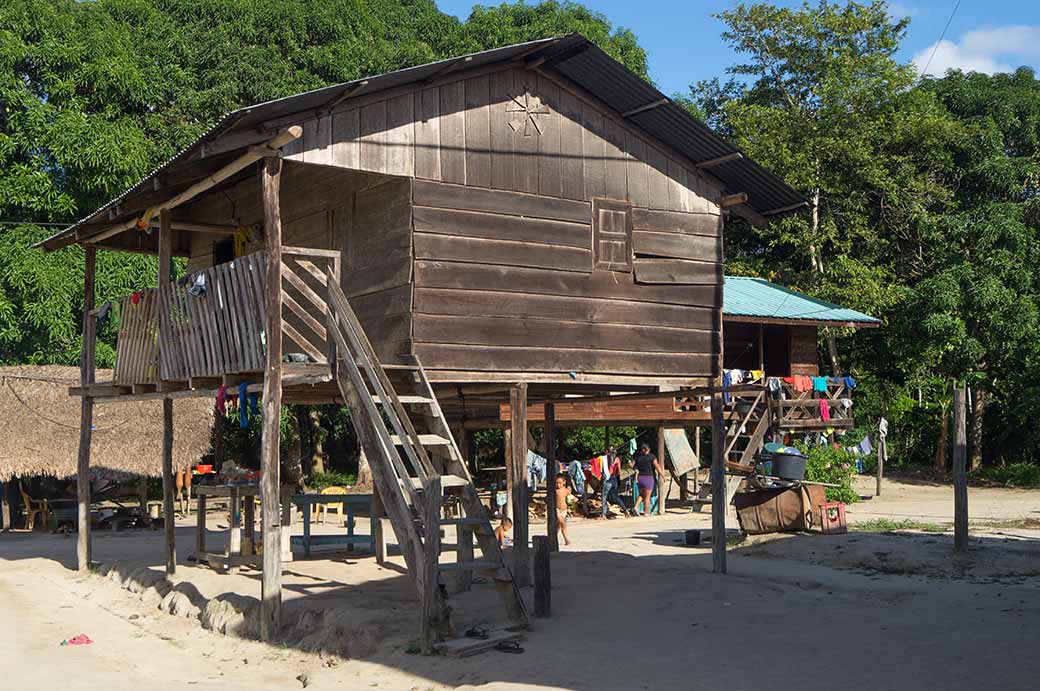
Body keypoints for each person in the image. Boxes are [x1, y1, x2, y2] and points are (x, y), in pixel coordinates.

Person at [631, 442, 664, 516]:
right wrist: (663, 476)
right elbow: (657, 467)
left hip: (640, 478)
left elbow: (632, 465)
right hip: (648, 478)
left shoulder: (638, 458)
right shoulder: (651, 457)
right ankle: (646, 512)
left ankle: (636, 507)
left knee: (641, 494)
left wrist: (636, 470)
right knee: (647, 496)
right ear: (648, 449)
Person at [600, 446, 630, 518]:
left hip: (608, 479)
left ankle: (603, 514)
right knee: (616, 497)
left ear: (607, 451)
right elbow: (619, 471)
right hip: (614, 479)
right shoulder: (617, 459)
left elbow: (602, 471)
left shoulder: (604, 459)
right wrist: (617, 479)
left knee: (604, 496)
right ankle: (626, 510)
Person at [554, 474, 572, 546]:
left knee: (558, 526)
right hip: (557, 509)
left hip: (564, 510)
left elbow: (570, 499)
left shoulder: (566, 490)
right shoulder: (555, 491)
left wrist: (573, 500)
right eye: (556, 483)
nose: (558, 485)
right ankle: (566, 539)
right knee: (563, 524)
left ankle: (553, 538)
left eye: (559, 483)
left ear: (564, 482)